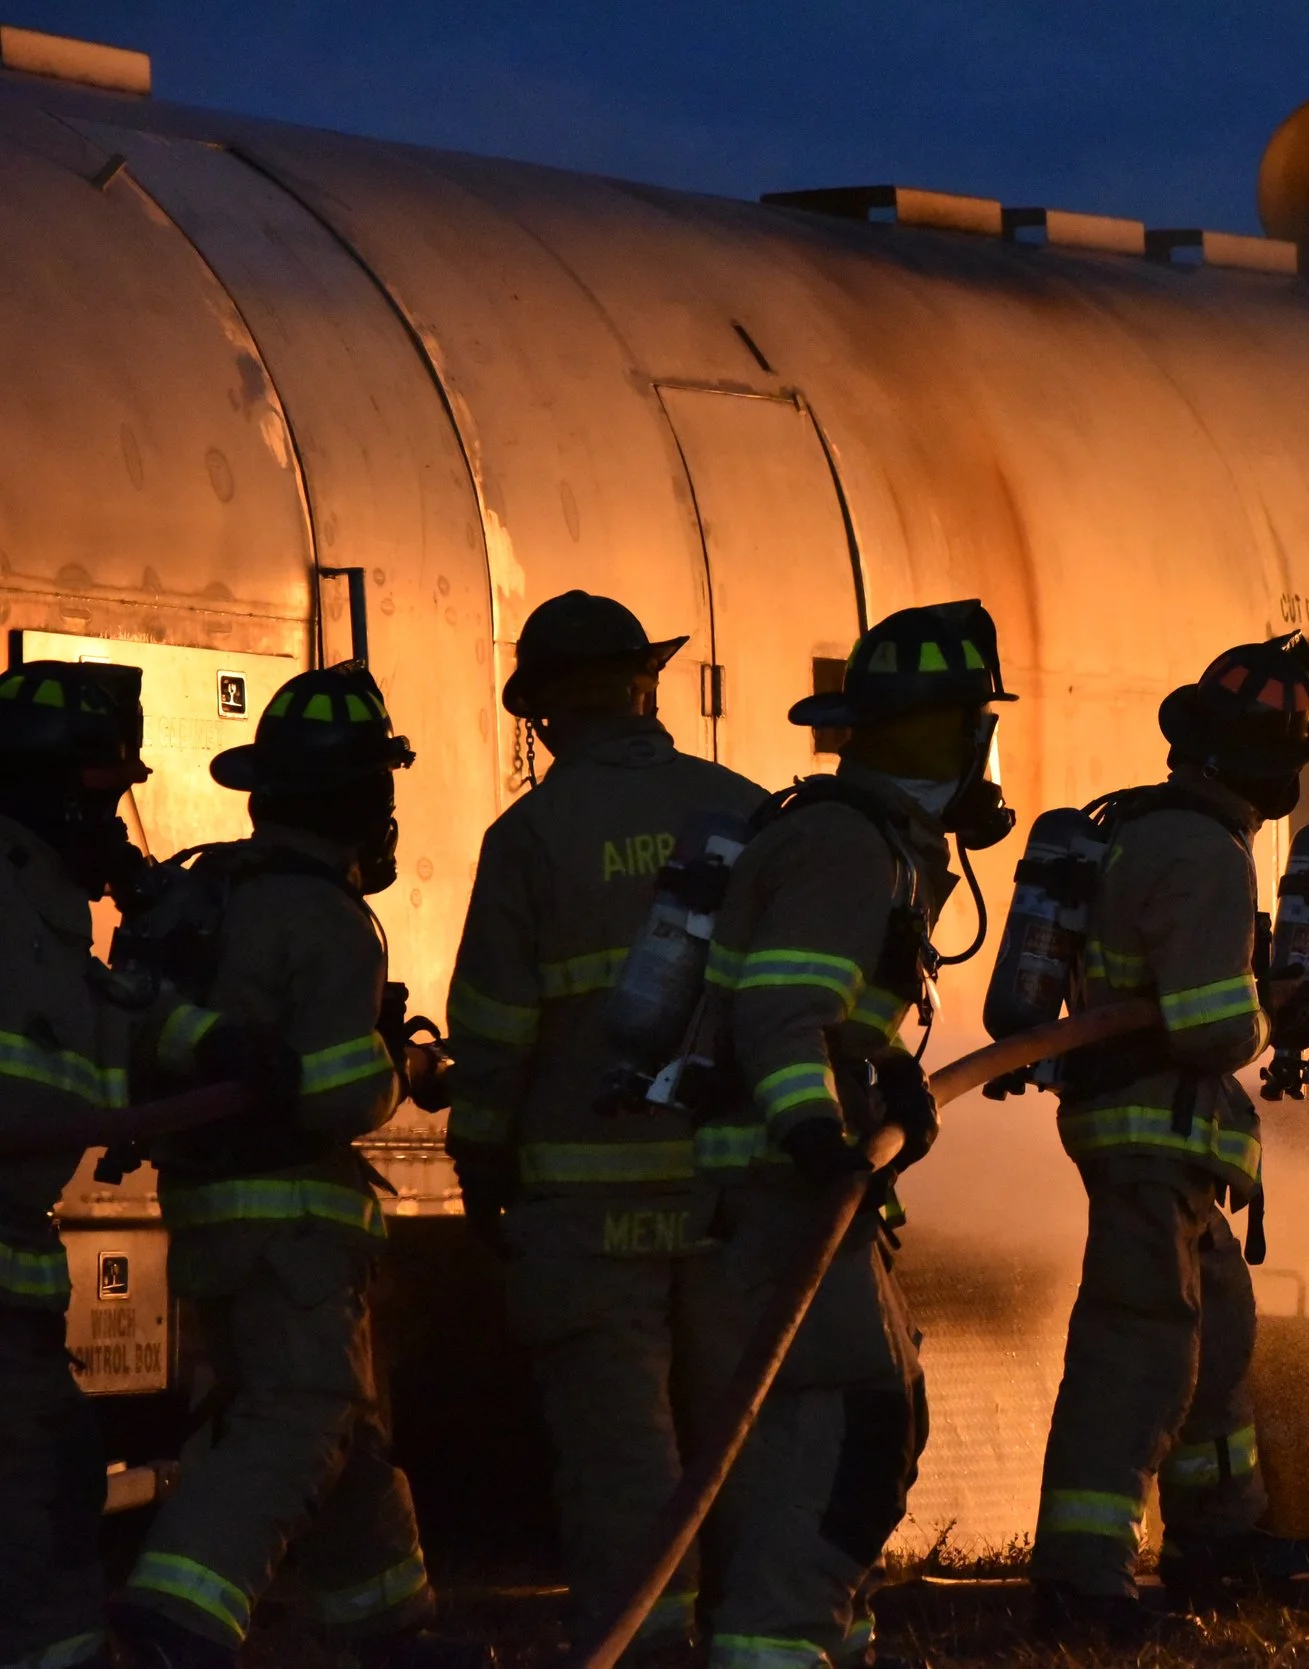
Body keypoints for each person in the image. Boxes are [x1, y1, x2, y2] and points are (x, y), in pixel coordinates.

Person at [110, 666, 477, 1669]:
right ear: (362, 800)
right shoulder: (325, 912)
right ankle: (177, 1618)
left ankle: (388, 1627)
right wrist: (399, 1062)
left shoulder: (205, 891)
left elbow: (146, 1024)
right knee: (301, 1413)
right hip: (297, 1229)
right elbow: (336, 1092)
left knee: (344, 1429)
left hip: (211, 1214)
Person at [691, 600, 1014, 1669]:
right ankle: (780, 1644)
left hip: (797, 1179)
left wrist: (886, 1081)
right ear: (963, 737)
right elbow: (782, 1017)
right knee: (849, 1425)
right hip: (783, 1183)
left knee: (861, 1416)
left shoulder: (870, 840)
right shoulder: (845, 848)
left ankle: (817, 1638)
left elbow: (827, 1019)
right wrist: (822, 1144)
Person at [443, 593, 764, 1659]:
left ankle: (643, 1644)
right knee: (753, 1426)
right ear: (648, 686)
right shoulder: (746, 811)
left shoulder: (528, 836)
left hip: (583, 1206)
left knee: (619, 1445)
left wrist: (479, 1160)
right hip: (731, 1193)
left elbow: (492, 1028)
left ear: (540, 715)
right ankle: (766, 1632)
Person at [1025, 634, 1309, 1637]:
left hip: (1171, 1140)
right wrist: (1272, 1016)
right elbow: (1208, 1026)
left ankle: (1219, 1539)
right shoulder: (1202, 850)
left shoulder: (1154, 830)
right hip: (1152, 1133)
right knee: (1140, 1357)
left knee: (1214, 1341)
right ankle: (1085, 1580)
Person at [0, 662, 149, 1669]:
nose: (116, 822)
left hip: (15, 1276)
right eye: (101, 795)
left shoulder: (35, 894)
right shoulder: (14, 895)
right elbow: (47, 1084)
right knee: (42, 1510)